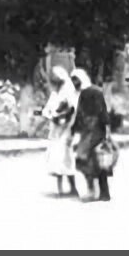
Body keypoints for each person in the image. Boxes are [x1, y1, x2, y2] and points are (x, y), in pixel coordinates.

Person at [70, 69, 113, 203]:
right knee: (98, 162)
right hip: (94, 131)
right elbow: (102, 113)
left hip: (92, 132)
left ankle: (94, 191)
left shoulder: (89, 93)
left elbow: (96, 112)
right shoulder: (93, 92)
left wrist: (73, 131)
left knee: (90, 162)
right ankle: (102, 193)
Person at [42, 65, 79, 197]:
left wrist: (63, 118)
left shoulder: (69, 94)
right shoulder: (54, 95)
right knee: (56, 158)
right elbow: (47, 110)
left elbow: (72, 110)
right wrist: (52, 116)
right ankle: (60, 189)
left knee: (67, 159)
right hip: (56, 132)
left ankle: (73, 188)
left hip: (66, 130)